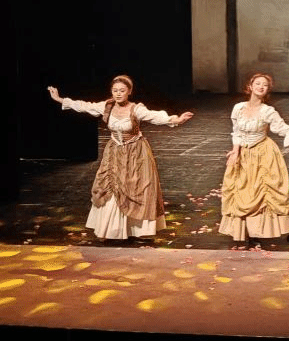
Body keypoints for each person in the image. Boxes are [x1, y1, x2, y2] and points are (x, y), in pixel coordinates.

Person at [47, 76, 193, 240]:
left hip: (135, 152)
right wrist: (59, 99)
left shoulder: (136, 109)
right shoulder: (107, 106)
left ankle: (136, 230)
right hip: (114, 152)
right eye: (115, 90)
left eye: (122, 91)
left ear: (129, 91)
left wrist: (176, 119)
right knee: (111, 185)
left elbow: (155, 116)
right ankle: (112, 229)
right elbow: (84, 106)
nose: (118, 94)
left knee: (136, 186)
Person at [219, 73, 289, 244]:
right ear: (250, 86)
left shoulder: (268, 111)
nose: (261, 87)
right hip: (244, 155)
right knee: (243, 191)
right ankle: (253, 232)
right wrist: (235, 151)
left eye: (265, 85)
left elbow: (285, 129)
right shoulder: (238, 108)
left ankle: (277, 228)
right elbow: (237, 132)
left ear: (267, 90)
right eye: (258, 83)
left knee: (265, 192)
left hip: (263, 154)